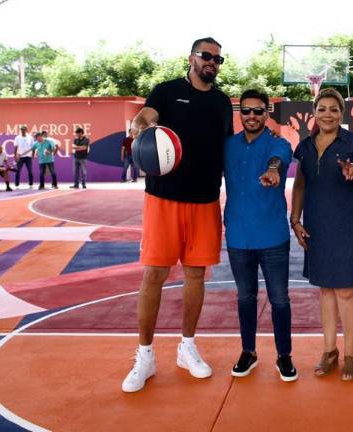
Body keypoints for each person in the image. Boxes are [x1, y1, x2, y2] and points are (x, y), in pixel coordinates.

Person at [121, 36, 233, 393]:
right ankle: (145, 355)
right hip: (163, 199)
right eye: (206, 56)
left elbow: (226, 150)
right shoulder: (167, 91)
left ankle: (187, 347)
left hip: (204, 201)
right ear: (191, 58)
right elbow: (146, 117)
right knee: (154, 275)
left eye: (218, 58)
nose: (212, 62)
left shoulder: (220, 102)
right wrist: (139, 125)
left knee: (196, 276)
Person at [290, 88, 353, 381]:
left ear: (342, 113)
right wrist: (295, 218)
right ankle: (329, 351)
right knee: (325, 289)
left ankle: (351, 354)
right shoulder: (304, 146)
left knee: (345, 290)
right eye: (322, 108)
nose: (328, 114)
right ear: (314, 111)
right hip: (317, 223)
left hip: (348, 223)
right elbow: (300, 185)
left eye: (334, 109)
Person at [223, 89, 296, 381]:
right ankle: (248, 351)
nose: (251, 116)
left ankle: (284, 356)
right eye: (246, 111)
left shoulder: (278, 144)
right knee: (245, 297)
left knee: (279, 299)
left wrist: (274, 171)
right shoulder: (228, 145)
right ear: (240, 114)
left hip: (272, 236)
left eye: (258, 111)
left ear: (267, 113)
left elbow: (278, 160)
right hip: (238, 236)